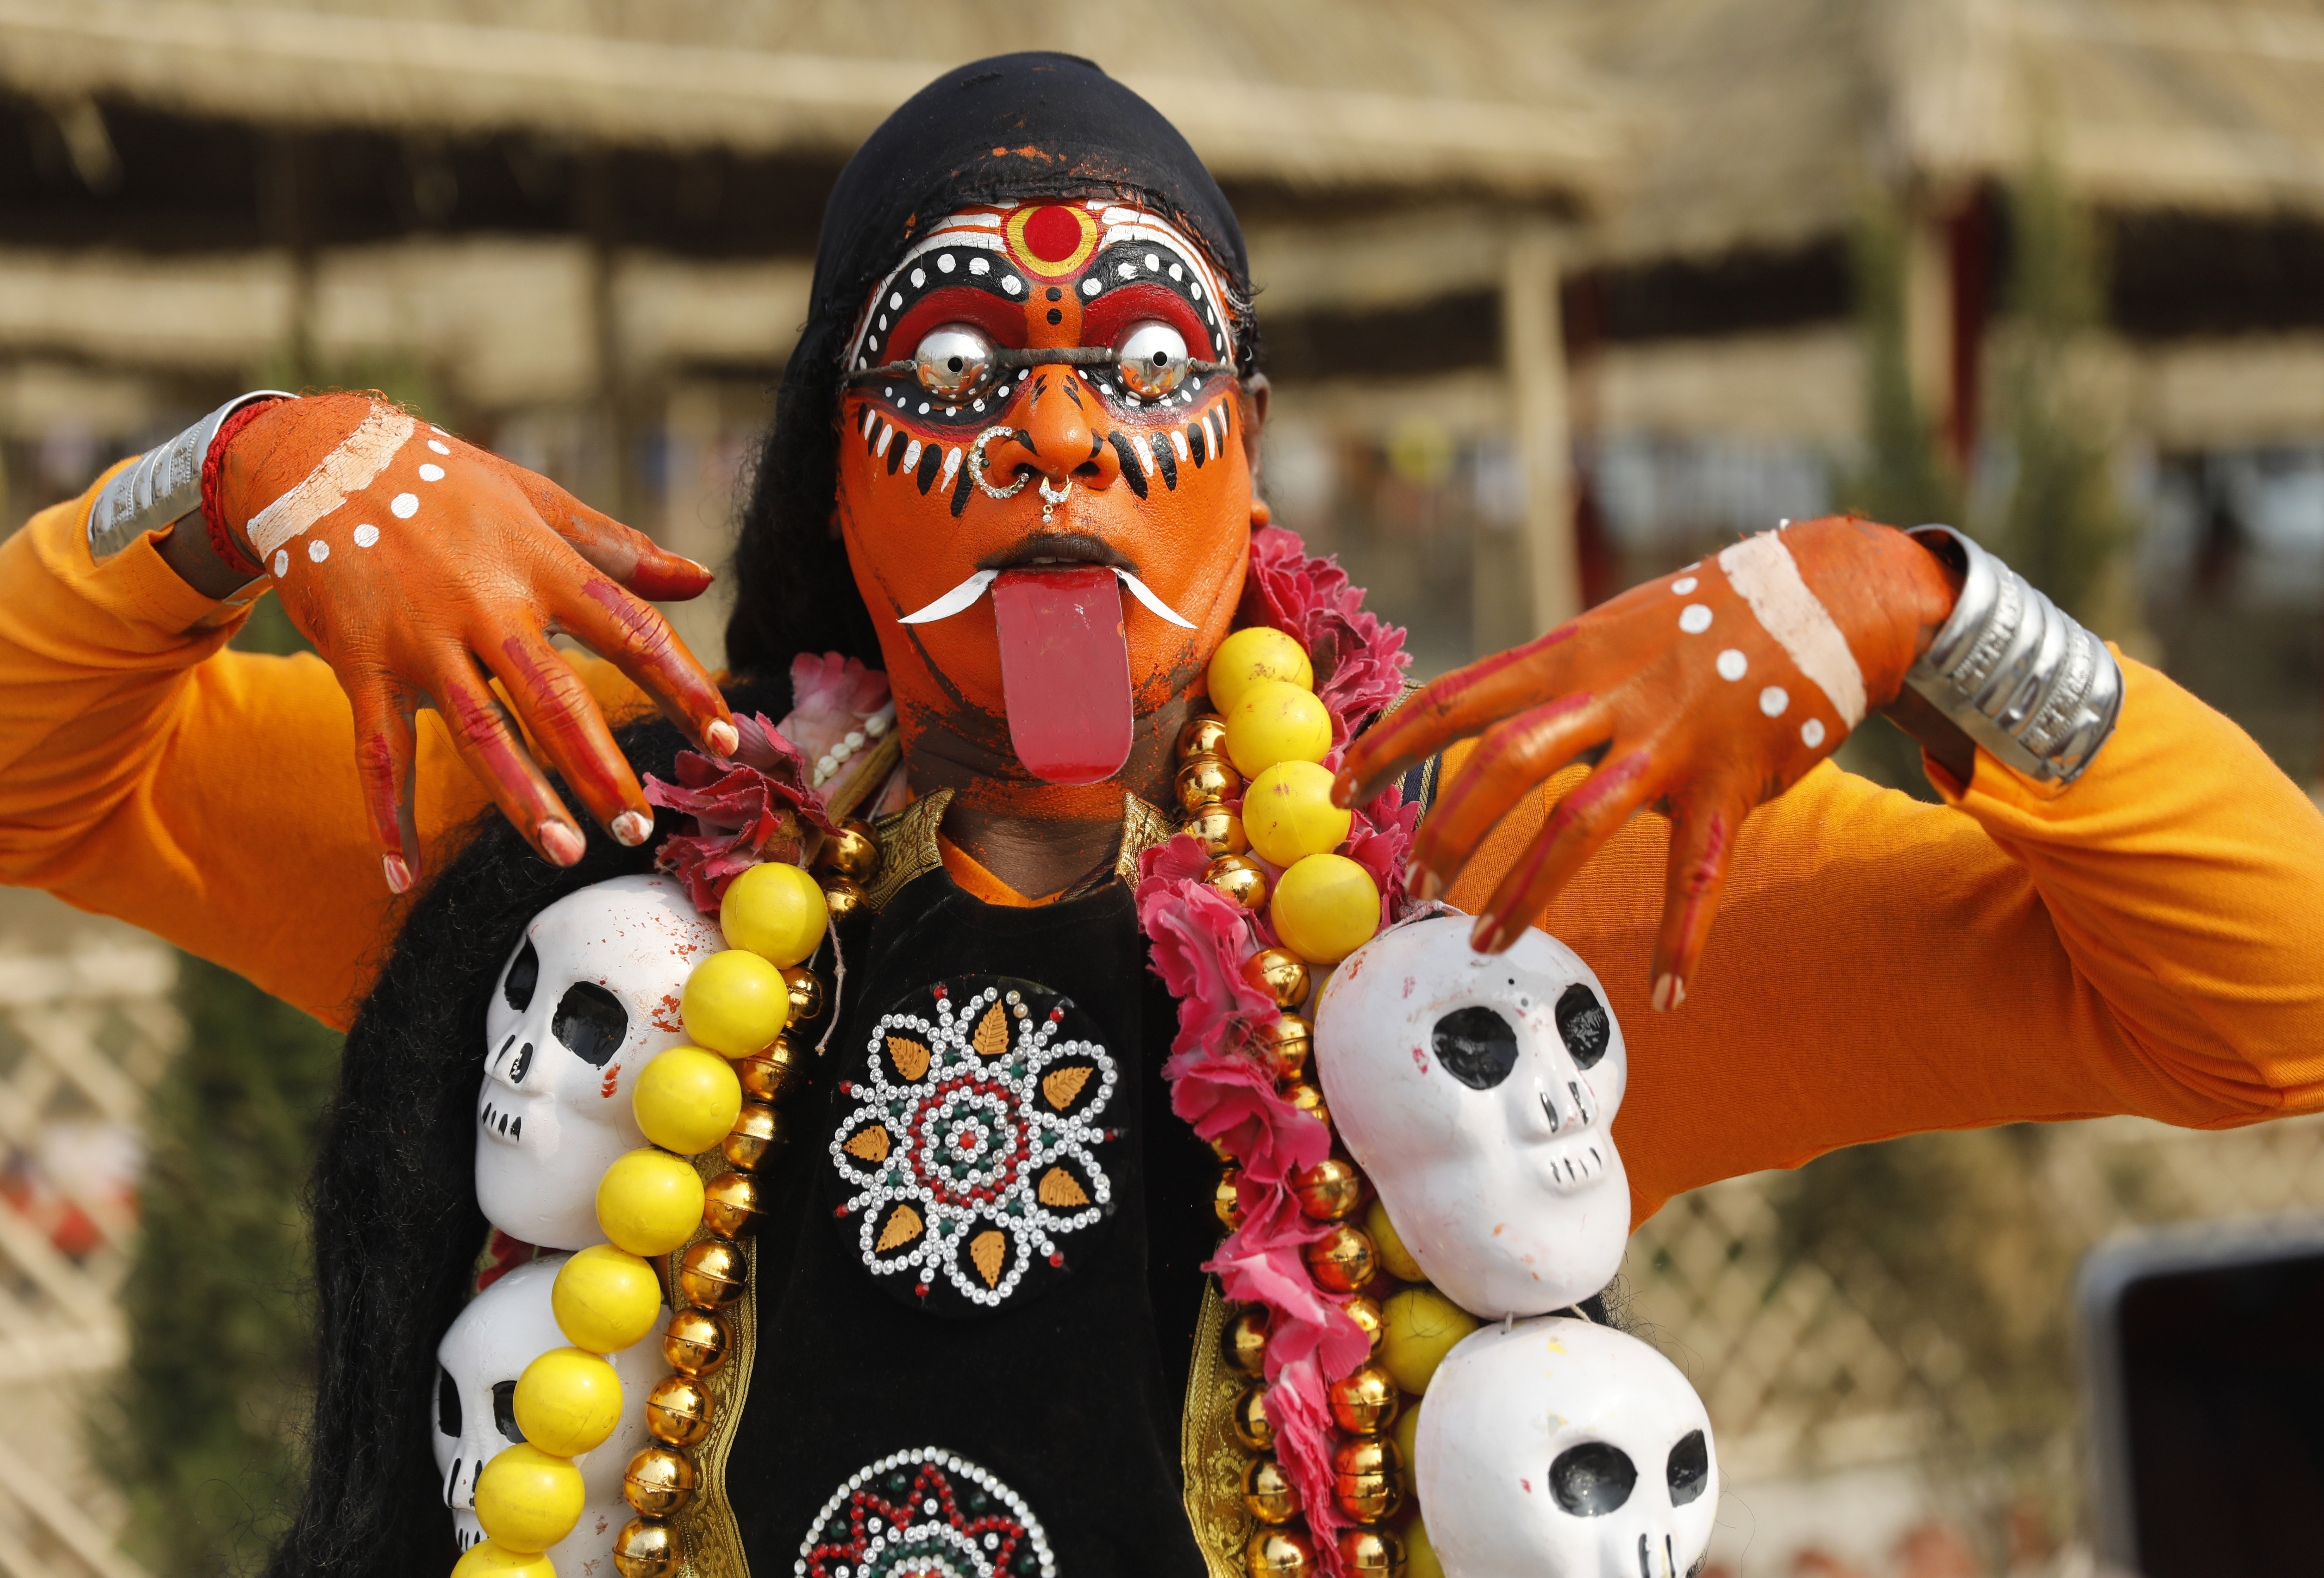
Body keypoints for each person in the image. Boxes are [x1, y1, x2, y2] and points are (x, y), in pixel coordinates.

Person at [2, 51, 2319, 1578]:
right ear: (828, 454)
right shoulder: (576, 825)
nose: (1054, 445)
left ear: (1251, 438)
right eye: (945, 377)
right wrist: (229, 487)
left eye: (1141, 371)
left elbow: (2270, 1011)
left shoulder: (1496, 897)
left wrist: (1922, 607)